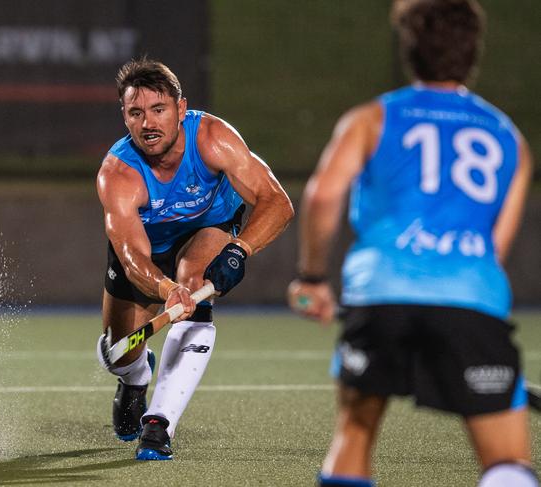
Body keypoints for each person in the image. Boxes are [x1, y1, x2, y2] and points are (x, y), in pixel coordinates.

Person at [287, 0, 536, 486]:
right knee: (507, 463)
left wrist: (313, 277)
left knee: (354, 432)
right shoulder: (510, 139)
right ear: (473, 53)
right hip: (471, 299)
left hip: (380, 296)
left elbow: (321, 195)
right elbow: (494, 248)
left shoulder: (371, 118)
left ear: (410, 51)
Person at [96, 58, 294, 461]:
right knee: (119, 353)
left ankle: (159, 423)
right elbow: (132, 256)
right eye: (136, 113)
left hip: (208, 231)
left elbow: (277, 202)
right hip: (148, 251)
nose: (148, 123)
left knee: (195, 282)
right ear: (125, 116)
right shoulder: (117, 173)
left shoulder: (213, 138)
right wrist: (166, 288)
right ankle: (135, 378)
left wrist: (240, 249)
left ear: (181, 109)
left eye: (159, 110)